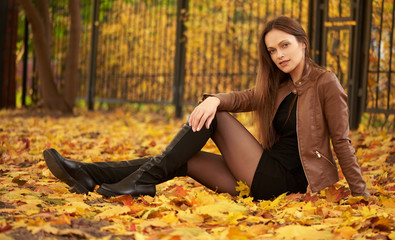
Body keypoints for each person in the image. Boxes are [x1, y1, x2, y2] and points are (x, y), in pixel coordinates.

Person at [43, 16, 370, 201]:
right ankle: (89, 173)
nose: (279, 55)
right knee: (182, 158)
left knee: (217, 118)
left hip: (287, 181)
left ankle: (136, 180)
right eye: (272, 50)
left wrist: (361, 195)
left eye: (285, 45)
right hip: (261, 171)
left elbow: (342, 141)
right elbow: (242, 98)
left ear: (302, 43)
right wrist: (214, 97)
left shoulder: (326, 82)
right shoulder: (278, 84)